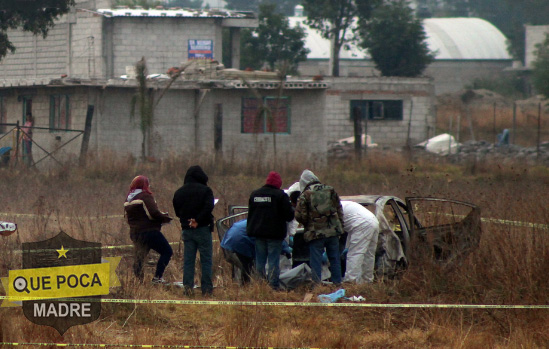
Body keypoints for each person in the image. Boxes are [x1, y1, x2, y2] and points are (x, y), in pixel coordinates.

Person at [246, 171, 294, 290]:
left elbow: (250, 214)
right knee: (273, 261)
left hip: (258, 234)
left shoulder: (255, 195)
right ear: (278, 183)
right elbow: (289, 215)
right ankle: (273, 287)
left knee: (260, 261)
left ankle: (259, 286)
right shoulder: (280, 195)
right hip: (274, 234)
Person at [295, 169, 344, 285]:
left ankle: (316, 285)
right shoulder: (330, 190)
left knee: (315, 260)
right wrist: (340, 226)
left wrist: (306, 224)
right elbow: (339, 209)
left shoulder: (306, 194)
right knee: (334, 259)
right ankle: (337, 283)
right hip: (333, 231)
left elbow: (300, 215)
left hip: (315, 233)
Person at [173, 165, 215, 296]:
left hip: (187, 230)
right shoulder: (206, 190)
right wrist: (198, 220)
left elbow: (177, 211)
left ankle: (188, 290)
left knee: (188, 261)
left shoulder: (179, 192)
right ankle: (207, 290)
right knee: (206, 260)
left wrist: (188, 220)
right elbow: (209, 207)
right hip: (202, 229)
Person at [124, 175, 173, 284]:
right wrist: (165, 218)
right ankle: (157, 278)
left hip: (135, 233)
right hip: (149, 232)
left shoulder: (128, 199)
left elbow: (129, 218)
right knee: (167, 251)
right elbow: (154, 213)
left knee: (140, 257)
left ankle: (139, 282)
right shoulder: (145, 196)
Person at [341, 200, 380, 283]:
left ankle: (350, 281)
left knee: (355, 253)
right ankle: (367, 281)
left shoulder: (331, 208)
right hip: (373, 221)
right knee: (369, 254)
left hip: (362, 223)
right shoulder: (343, 204)